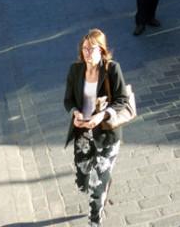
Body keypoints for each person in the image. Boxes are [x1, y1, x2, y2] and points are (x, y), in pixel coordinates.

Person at [64, 28, 129, 227]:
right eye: (85, 48)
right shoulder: (76, 70)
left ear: (101, 50)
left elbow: (122, 99)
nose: (88, 52)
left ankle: (94, 221)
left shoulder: (112, 69)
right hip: (83, 132)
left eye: (92, 48)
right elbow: (68, 100)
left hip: (106, 134)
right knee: (83, 180)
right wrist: (75, 113)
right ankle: (104, 180)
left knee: (95, 186)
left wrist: (102, 115)